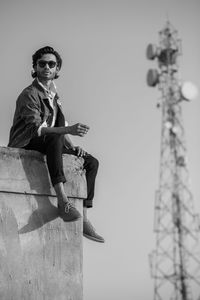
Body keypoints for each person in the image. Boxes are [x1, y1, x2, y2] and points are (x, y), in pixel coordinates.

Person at [8, 46, 104, 243]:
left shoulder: (54, 94)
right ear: (35, 67)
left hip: (51, 141)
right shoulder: (30, 94)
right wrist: (66, 132)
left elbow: (60, 123)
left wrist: (73, 144)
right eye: (42, 63)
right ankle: (63, 201)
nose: (46, 67)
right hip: (27, 142)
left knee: (91, 162)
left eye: (51, 64)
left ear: (57, 69)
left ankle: (84, 219)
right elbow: (38, 129)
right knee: (54, 138)